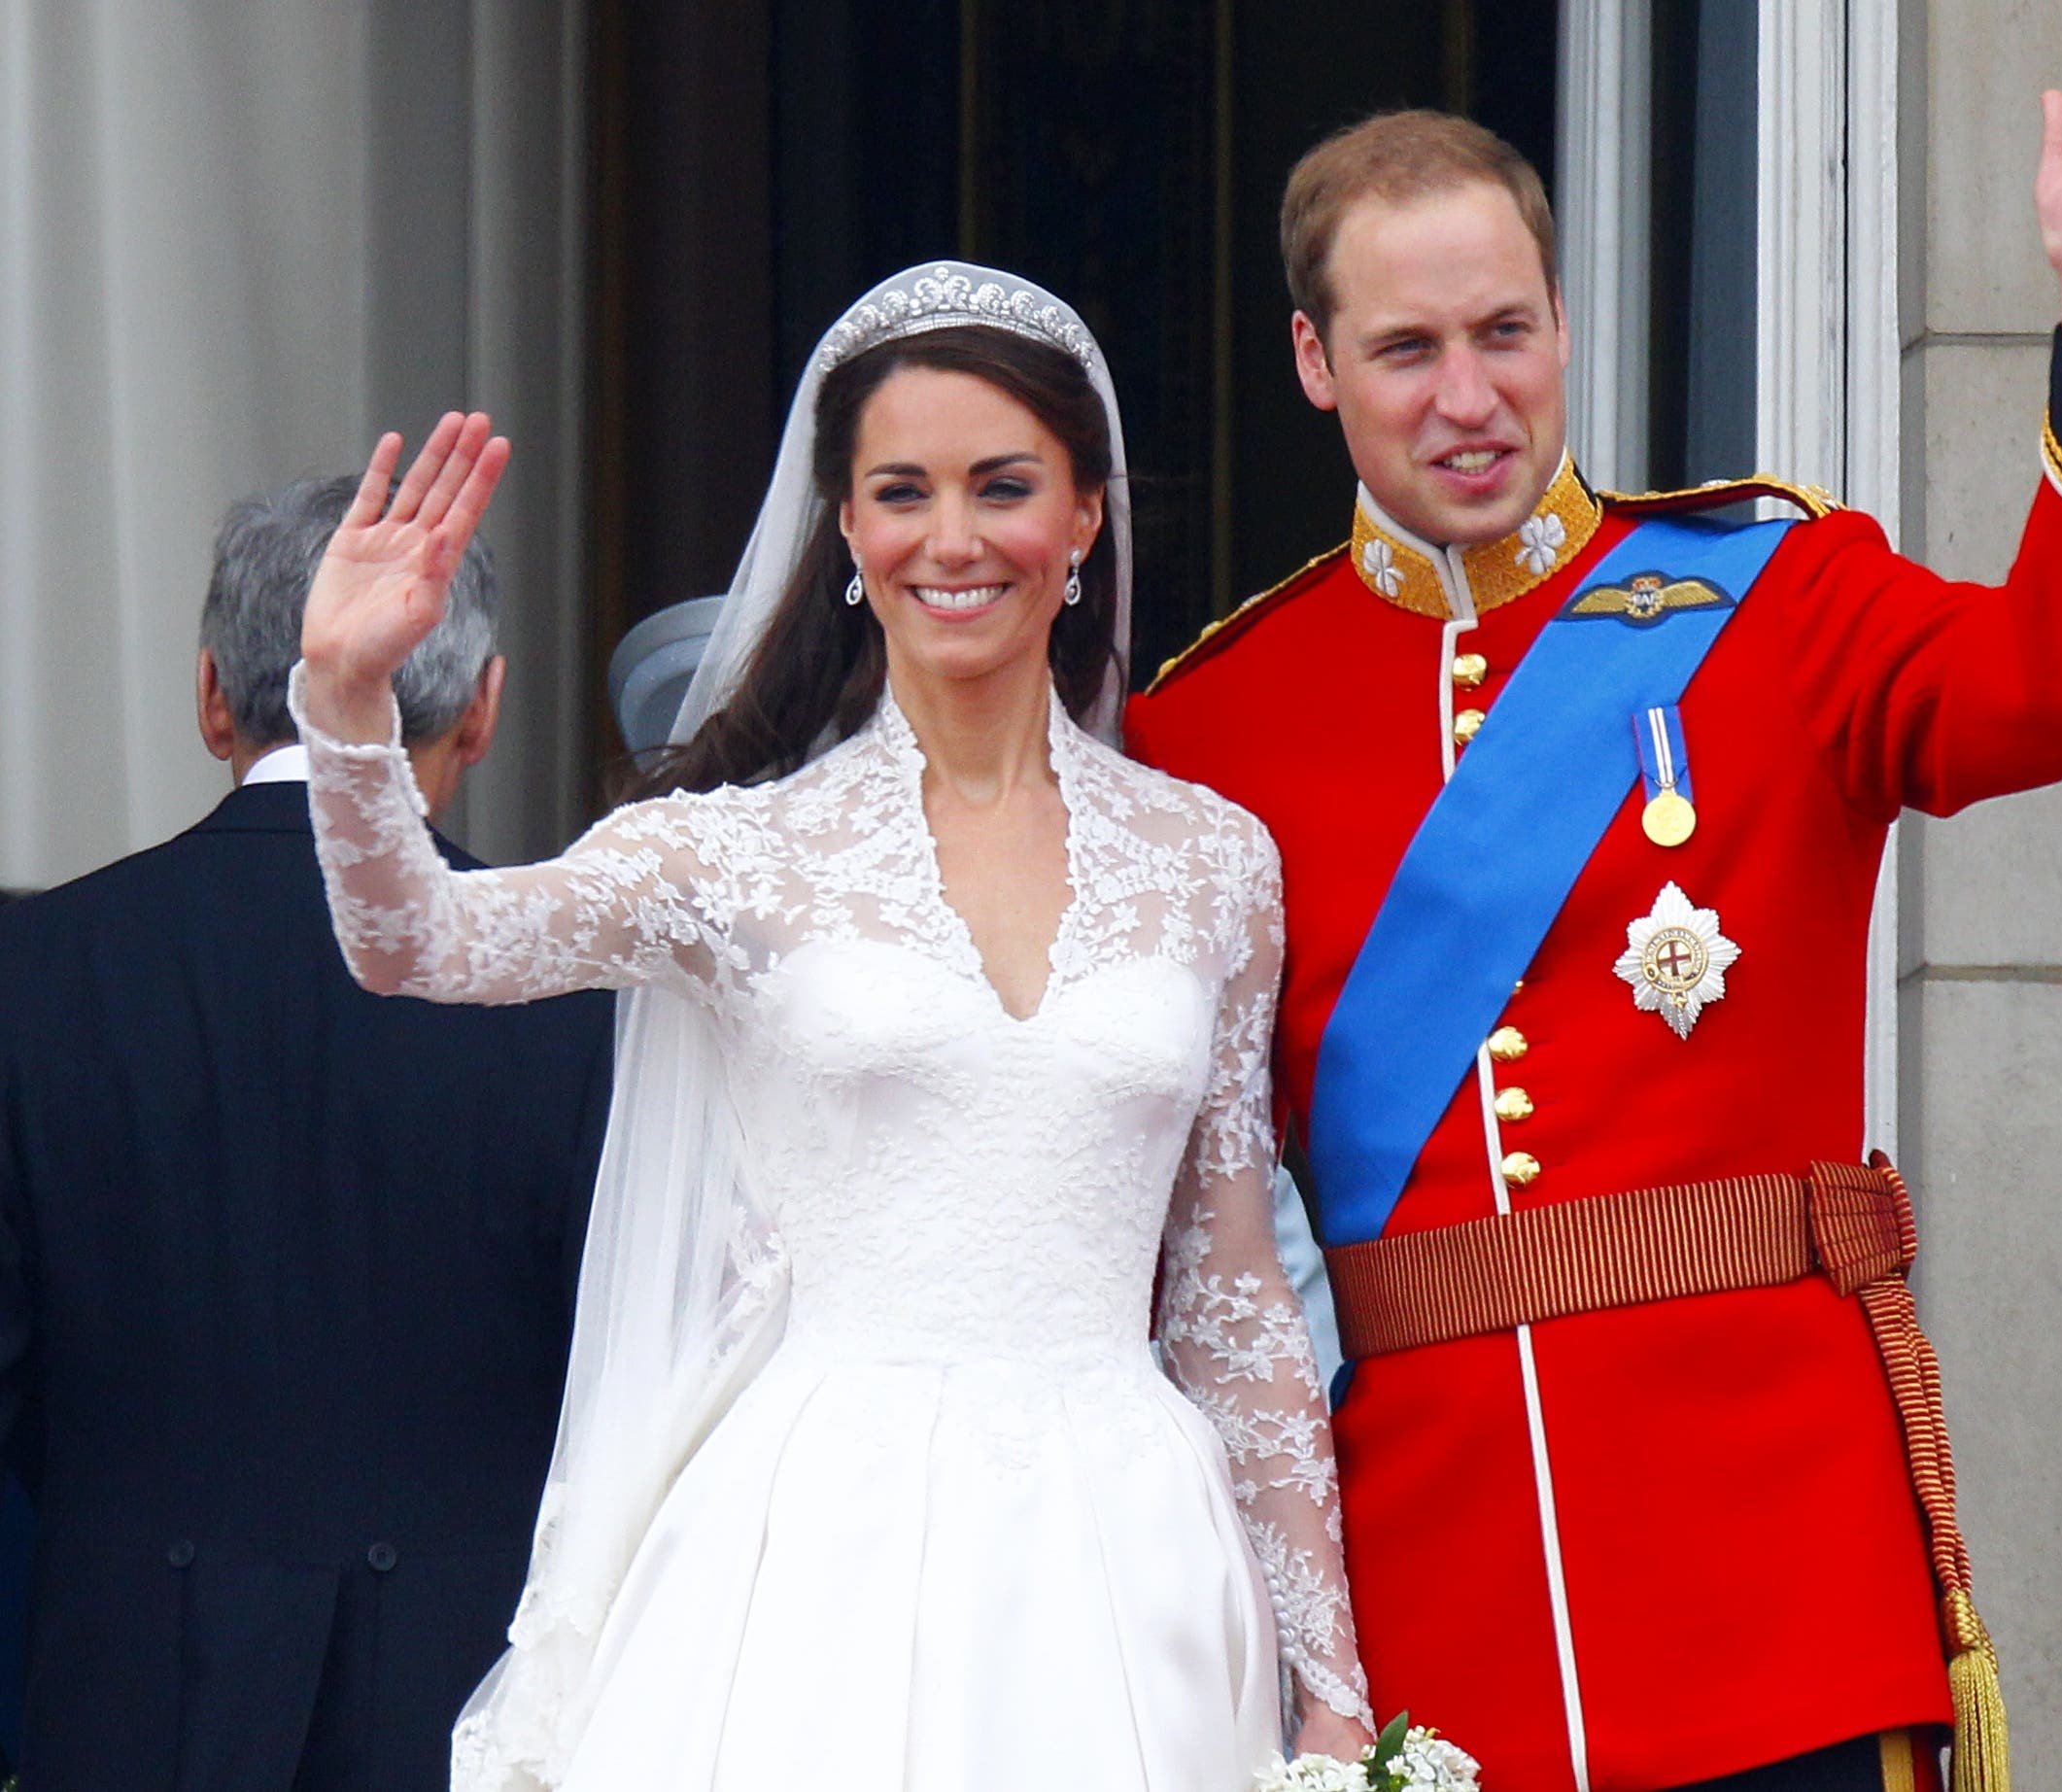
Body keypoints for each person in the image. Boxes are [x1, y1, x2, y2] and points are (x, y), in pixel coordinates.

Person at [1127, 27, 2062, 1792]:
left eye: (1504, 333)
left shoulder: (1775, 596)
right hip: (1437, 1621)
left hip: (1780, 1595)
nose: (1468, 398)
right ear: (1312, 362)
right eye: (1406, 349)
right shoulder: (1208, 729)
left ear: (1563, 323)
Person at [290, 265, 1370, 1790]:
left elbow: (1231, 1285)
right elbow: (418, 944)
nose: (952, 538)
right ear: (847, 533)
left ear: (1082, 519)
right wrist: (344, 699)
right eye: (900, 491)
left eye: (1002, 486)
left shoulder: (1212, 862)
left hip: (1129, 1548)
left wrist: (1327, 1685)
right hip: (818, 1540)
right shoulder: (736, 853)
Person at [0, 476, 613, 1791]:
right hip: (473, 1708)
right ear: (488, 706)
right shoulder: (585, 1001)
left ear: (212, 694)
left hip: (120, 1701)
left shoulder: (31, 971)